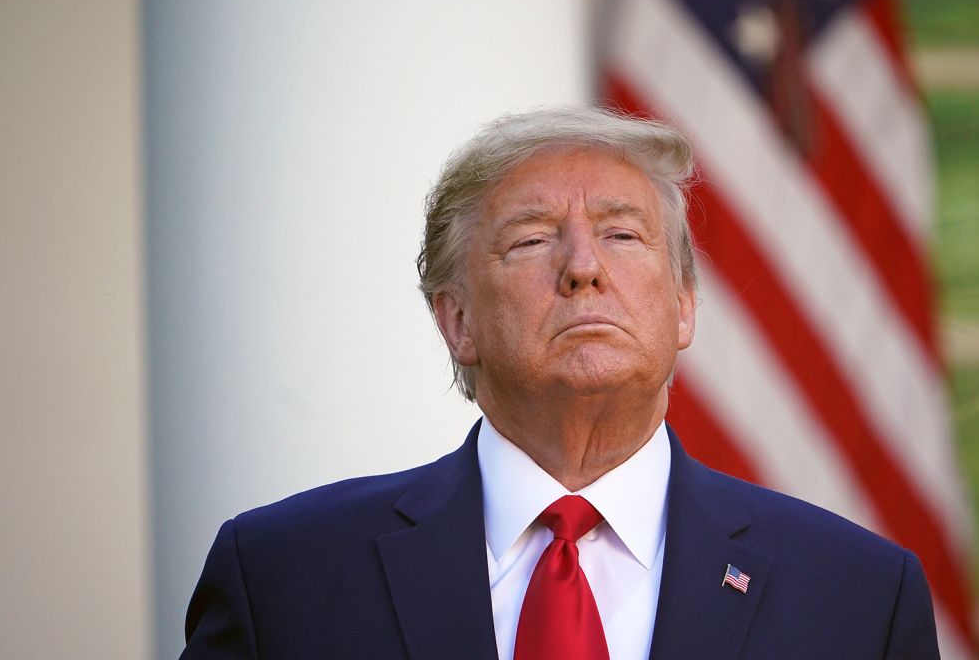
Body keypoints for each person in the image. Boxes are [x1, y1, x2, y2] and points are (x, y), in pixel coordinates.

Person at [180, 107, 940, 659]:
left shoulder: (857, 596)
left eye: (621, 234)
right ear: (457, 321)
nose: (583, 267)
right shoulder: (283, 576)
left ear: (683, 306)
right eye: (533, 239)